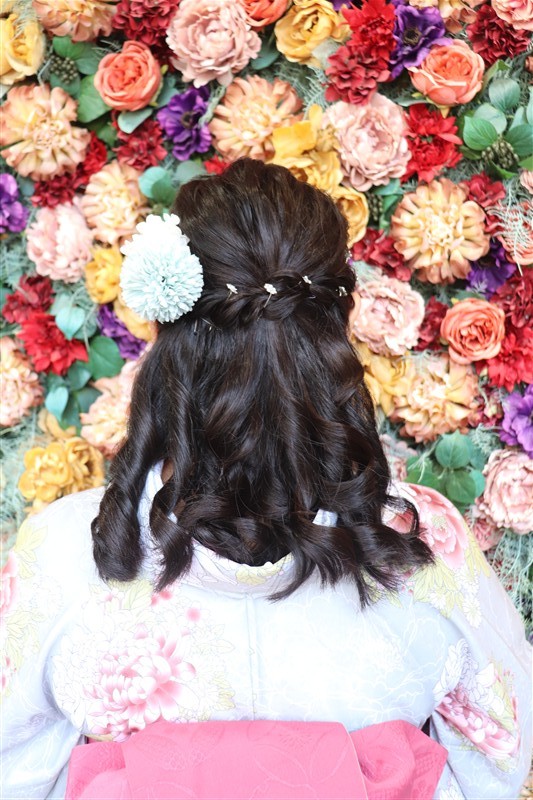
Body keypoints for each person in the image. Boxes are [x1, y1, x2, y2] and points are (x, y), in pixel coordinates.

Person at [1, 159, 531, 799]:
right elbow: (499, 754)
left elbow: (13, 770)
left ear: (171, 339)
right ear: (335, 332)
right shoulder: (422, 542)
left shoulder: (62, 553)